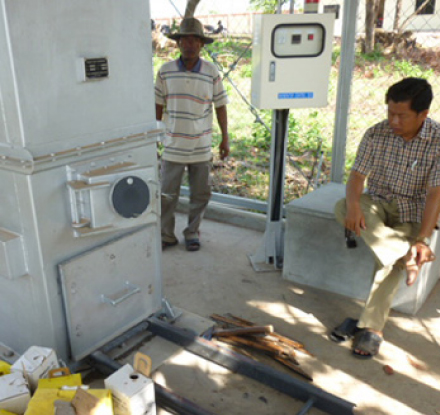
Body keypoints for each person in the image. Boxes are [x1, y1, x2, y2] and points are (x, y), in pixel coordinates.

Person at [331, 77, 440, 359]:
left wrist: (422, 239)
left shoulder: (438, 141)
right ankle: (406, 256)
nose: (393, 120)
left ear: (423, 114)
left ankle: (371, 329)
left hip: (414, 211)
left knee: (387, 266)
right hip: (378, 203)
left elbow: (435, 195)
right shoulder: (376, 133)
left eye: (401, 115)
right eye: (390, 112)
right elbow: (357, 176)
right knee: (343, 207)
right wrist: (355, 204)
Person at [155, 17, 229, 252]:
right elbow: (157, 105)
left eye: (194, 40)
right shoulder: (165, 72)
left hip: (201, 146)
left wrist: (225, 137)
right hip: (173, 146)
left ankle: (192, 232)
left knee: (201, 195)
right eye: (184, 39)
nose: (189, 44)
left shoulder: (211, 72)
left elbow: (220, 105)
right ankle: (166, 234)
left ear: (201, 44)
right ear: (178, 44)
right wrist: (155, 136)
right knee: (166, 195)